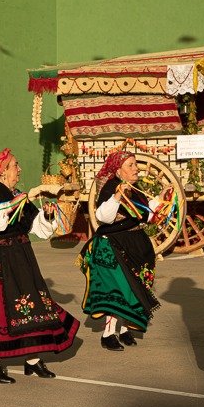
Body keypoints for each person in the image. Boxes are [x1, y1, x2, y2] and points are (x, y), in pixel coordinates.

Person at [0, 149, 80, 383]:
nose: (19, 170)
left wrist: (47, 216)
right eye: (15, 165)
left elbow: (36, 226)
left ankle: (32, 360)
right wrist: (10, 204)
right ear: (2, 172)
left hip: (20, 257)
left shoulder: (17, 194)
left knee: (32, 306)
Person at [79, 150, 161, 351]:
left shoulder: (136, 189)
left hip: (135, 243)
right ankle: (108, 334)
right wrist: (117, 195)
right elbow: (103, 217)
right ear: (118, 172)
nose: (136, 169)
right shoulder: (109, 188)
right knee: (119, 289)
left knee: (133, 289)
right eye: (130, 165)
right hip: (113, 245)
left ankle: (124, 329)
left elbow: (147, 215)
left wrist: (162, 200)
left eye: (135, 164)